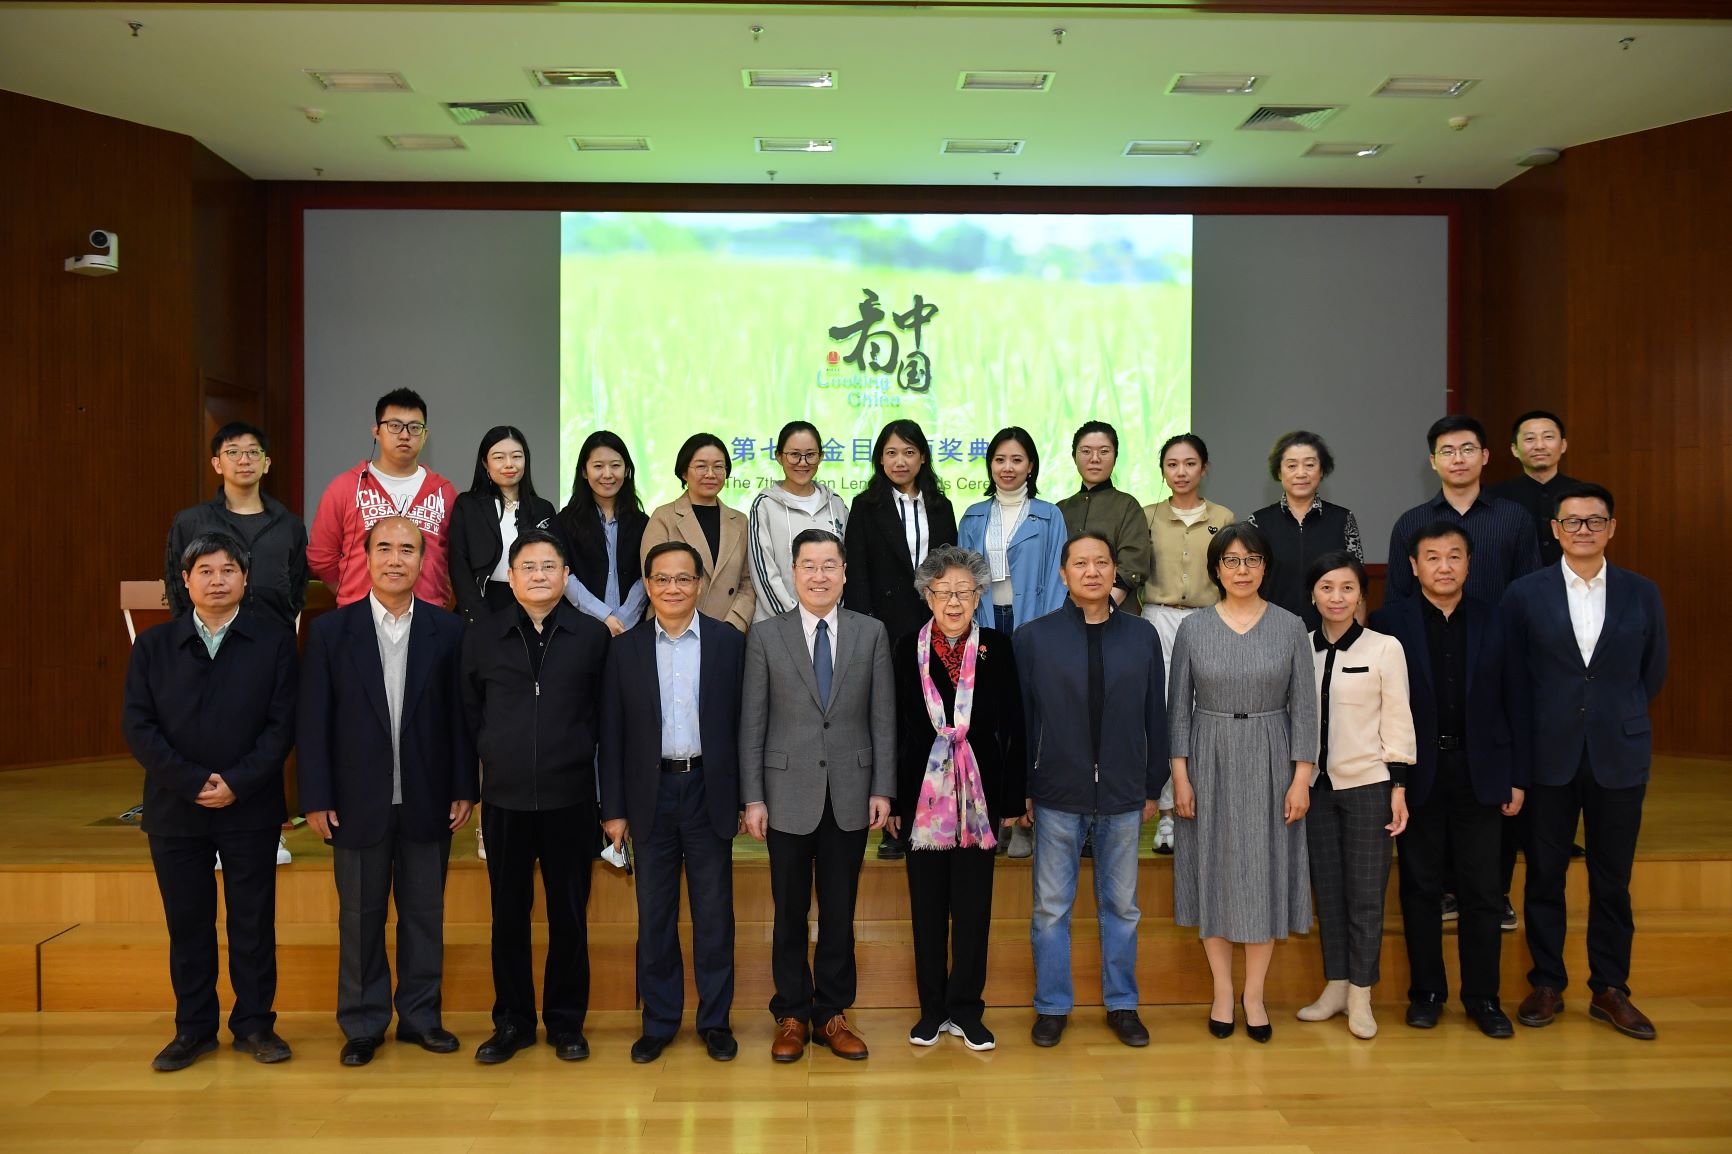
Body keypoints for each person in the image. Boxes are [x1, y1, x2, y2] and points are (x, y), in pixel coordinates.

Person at [298, 516, 477, 1067]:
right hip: (355, 801)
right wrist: (316, 796)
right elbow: (314, 721)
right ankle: (362, 1023)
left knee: (424, 914)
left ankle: (421, 1018)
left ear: (423, 561)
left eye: (407, 549)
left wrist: (464, 786)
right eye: (384, 549)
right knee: (360, 917)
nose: (395, 559)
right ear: (365, 557)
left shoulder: (448, 631)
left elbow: (461, 719)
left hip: (428, 796)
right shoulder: (331, 631)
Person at [122, 531, 298, 1072]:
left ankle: (254, 1024)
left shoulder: (273, 641)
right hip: (175, 809)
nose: (217, 580)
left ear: (245, 578)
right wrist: (192, 782)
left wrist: (237, 782)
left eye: (227, 570)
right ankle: (193, 1029)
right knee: (188, 925)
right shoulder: (154, 646)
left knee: (253, 922)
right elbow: (138, 726)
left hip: (251, 806)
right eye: (205, 570)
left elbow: (282, 725)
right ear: (185, 580)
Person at [1504, 483, 1668, 1040]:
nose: (1583, 531)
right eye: (1571, 522)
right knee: (1544, 876)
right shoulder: (1525, 594)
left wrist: (1610, 713)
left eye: (1594, 521)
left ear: (1611, 528)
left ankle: (1610, 989)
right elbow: (1514, 676)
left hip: (1618, 753)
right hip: (1548, 754)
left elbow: (1652, 671)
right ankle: (1547, 982)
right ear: (1555, 530)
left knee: (1612, 880)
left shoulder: (1641, 592)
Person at [739, 529, 895, 1062]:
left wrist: (882, 787)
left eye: (830, 565)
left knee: (839, 911)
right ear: (794, 572)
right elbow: (752, 723)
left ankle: (831, 1012)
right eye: (809, 565)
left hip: (851, 792)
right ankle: (790, 1013)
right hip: (784, 794)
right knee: (788, 911)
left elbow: (882, 717)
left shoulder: (871, 632)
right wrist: (753, 797)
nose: (820, 575)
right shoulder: (766, 635)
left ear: (845, 573)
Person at [460, 529, 611, 1064]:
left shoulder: (592, 637)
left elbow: (607, 721)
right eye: (528, 567)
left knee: (569, 916)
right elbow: (468, 715)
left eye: (550, 566)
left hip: (572, 798)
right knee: (508, 916)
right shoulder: (483, 635)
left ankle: (566, 1023)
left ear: (566, 576)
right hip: (505, 800)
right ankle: (512, 1022)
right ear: (511, 576)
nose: (539, 575)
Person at [1370, 522, 1522, 1038]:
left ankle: (1483, 998)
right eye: (1432, 557)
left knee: (1483, 890)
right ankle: (1427, 994)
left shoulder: (1496, 620)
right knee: (1420, 887)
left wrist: (1516, 776)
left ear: (1469, 563)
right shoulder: (1389, 623)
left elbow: (1516, 701)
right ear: (1414, 567)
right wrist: (1392, 777)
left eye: (1454, 556)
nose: (1444, 566)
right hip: (1418, 774)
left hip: (1482, 773)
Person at [1168, 522, 1317, 1044]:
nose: (1241, 570)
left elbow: (1306, 711)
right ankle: (1222, 992)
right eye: (1230, 561)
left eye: (1252, 560)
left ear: (1265, 567)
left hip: (1272, 756)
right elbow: (1177, 710)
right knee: (1213, 872)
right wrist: (1180, 776)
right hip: (1207, 756)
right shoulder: (1193, 629)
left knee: (1263, 874)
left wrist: (1301, 779)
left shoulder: (1290, 627)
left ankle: (1254, 995)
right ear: (1215, 569)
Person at [599, 541, 747, 1064]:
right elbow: (610, 735)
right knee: (655, 916)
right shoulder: (625, 650)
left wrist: (746, 798)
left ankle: (715, 1022)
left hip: (710, 790)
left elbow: (744, 726)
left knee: (714, 915)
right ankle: (659, 1022)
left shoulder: (729, 643)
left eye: (684, 578)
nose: (673, 588)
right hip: (650, 796)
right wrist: (614, 810)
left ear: (701, 584)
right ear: (648, 586)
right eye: (661, 579)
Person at [1017, 532, 1165, 1049]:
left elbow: (1156, 715)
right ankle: (1052, 1007)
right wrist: (1025, 787)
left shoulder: (1142, 636)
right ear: (1063, 574)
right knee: (1051, 909)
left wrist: (1153, 785)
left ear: (1114, 571)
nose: (1092, 571)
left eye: (1102, 562)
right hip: (1057, 791)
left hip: (1124, 793)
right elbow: (1024, 720)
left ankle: (1122, 1004)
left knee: (1121, 908)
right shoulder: (1034, 638)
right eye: (1080, 563)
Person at [889, 544, 1025, 1051]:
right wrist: (894, 800)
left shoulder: (998, 647)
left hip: (980, 798)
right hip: (920, 798)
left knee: (973, 909)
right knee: (926, 909)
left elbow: (1014, 724)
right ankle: (932, 1011)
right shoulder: (906, 647)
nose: (953, 602)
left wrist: (1012, 798)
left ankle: (967, 1010)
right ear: (927, 596)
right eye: (943, 592)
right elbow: (892, 726)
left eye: (964, 592)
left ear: (978, 597)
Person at [1297, 552, 1415, 1040]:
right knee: (1328, 891)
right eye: (1327, 587)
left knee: (1366, 894)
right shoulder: (1299, 648)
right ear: (1313, 595)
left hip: (1369, 785)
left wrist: (1399, 785)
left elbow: (1398, 717)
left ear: (1361, 595)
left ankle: (1362, 994)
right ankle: (1336, 985)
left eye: (1347, 588)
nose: (1337, 597)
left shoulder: (1385, 648)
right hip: (1315, 790)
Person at [845, 420, 958, 862]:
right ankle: (895, 821)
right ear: (880, 459)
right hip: (885, 632)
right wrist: (868, 629)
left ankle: (936, 814)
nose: (899, 461)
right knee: (890, 725)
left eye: (908, 452)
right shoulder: (866, 506)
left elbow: (952, 569)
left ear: (922, 457)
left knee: (930, 723)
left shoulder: (941, 506)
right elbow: (858, 575)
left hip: (935, 630)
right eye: (891, 452)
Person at [957, 426, 1067, 859]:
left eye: (1017, 460)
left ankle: (1025, 819)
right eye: (1000, 460)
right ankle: (993, 813)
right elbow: (963, 578)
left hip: (1032, 624)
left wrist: (1046, 631)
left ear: (1031, 466)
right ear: (990, 466)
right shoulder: (973, 517)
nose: (1008, 467)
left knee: (1029, 722)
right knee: (988, 722)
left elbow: (1058, 579)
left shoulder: (1049, 516)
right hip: (985, 624)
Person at [1141, 433, 1235, 855]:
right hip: (1157, 618)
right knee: (1164, 714)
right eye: (1172, 464)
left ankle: (1203, 811)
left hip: (1208, 619)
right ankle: (1167, 815)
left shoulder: (1223, 517)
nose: (1181, 472)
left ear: (1204, 468)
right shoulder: (1147, 515)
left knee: (1204, 714)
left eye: (1190, 463)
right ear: (1163, 469)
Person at [307, 388, 457, 608]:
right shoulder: (345, 487)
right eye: (395, 426)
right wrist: (352, 596)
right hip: (359, 617)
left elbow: (458, 562)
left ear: (425, 435)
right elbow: (322, 557)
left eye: (415, 428)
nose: (405, 435)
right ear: (376, 432)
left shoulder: (444, 492)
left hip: (428, 616)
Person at [164, 422, 308, 633]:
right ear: (217, 464)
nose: (244, 460)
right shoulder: (191, 522)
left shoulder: (290, 525)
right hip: (208, 639)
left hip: (273, 638)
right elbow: (177, 585)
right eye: (233, 452)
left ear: (266, 463)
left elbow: (297, 588)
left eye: (253, 452)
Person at [1386, 415, 1541, 604]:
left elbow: (1530, 591)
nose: (1458, 459)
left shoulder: (1515, 517)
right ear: (1433, 461)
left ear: (1484, 456)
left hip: (1501, 623)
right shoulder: (1411, 523)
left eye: (1467, 450)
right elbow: (1397, 598)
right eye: (1447, 451)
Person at [1246, 431, 1362, 628]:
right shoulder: (1258, 522)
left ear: (1322, 470)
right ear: (1279, 472)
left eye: (1309, 465)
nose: (1301, 473)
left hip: (1330, 632)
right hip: (1271, 631)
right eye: (1291, 466)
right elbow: (1248, 583)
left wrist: (1355, 634)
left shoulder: (1343, 519)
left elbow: (1357, 583)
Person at [642, 432, 756, 632]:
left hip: (727, 631)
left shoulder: (739, 521)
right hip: (674, 630)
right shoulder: (664, 517)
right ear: (684, 472)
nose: (710, 474)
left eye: (718, 467)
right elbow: (655, 580)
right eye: (701, 466)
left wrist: (733, 625)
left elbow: (748, 583)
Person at [447, 425, 560, 624]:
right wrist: (480, 619)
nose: (509, 464)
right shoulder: (468, 505)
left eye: (516, 456)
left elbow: (554, 564)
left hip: (533, 609)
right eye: (499, 457)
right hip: (481, 607)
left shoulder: (543, 509)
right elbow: (459, 566)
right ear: (485, 463)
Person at [748, 420, 848, 623]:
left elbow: (846, 566)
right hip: (779, 624)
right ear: (779, 456)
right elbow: (764, 574)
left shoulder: (836, 504)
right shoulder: (764, 505)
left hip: (830, 625)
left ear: (821, 456)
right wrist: (795, 621)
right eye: (794, 454)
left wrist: (830, 618)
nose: (803, 463)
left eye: (810, 455)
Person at [1056, 420, 1153, 614]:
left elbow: (1132, 566)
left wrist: (1101, 610)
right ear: (1074, 456)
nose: (1095, 459)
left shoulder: (1128, 506)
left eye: (1104, 451)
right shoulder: (1059, 509)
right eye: (1086, 451)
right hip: (1064, 614)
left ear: (1115, 457)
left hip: (1116, 613)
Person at [558, 430, 649, 636]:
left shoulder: (643, 523)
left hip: (631, 630)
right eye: (598, 466)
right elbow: (563, 574)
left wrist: (622, 620)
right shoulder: (564, 522)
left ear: (627, 470)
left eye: (615, 465)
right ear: (584, 471)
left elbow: (647, 576)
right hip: (580, 630)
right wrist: (604, 617)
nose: (607, 474)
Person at [1492, 410, 1579, 570]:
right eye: (1530, 439)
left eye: (1548, 437)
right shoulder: (1495, 498)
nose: (1539, 446)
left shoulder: (1582, 494)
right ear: (1514, 449)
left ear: (1563, 445)